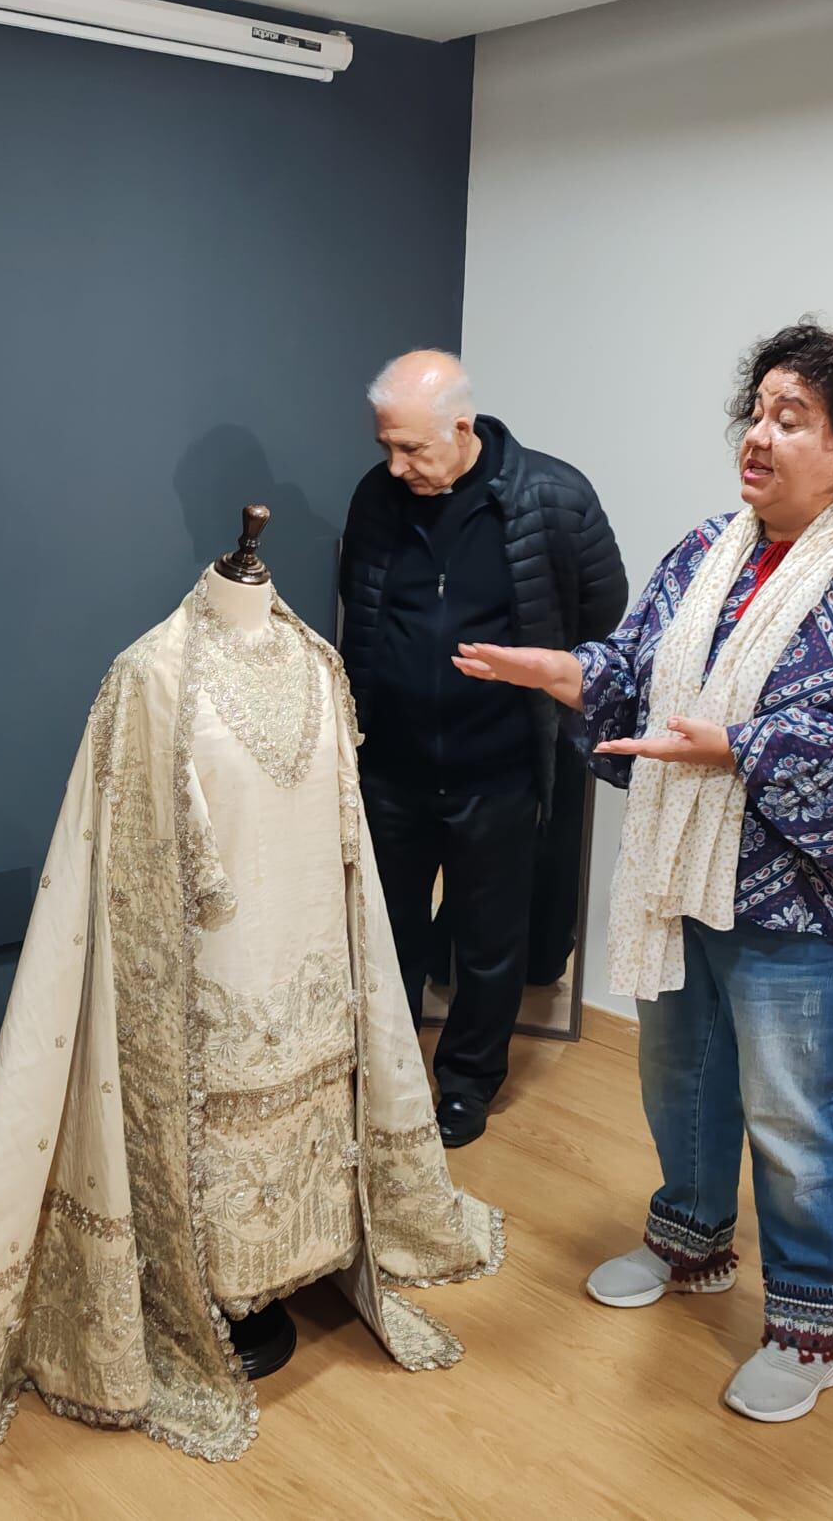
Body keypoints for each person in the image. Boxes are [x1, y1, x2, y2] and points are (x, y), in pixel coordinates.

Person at [455, 320, 833, 1423]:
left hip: (816, 900)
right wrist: (561, 670)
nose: (758, 433)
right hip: (685, 873)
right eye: (756, 410)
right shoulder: (706, 548)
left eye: (791, 418)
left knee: (793, 1114)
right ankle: (692, 1246)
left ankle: (810, 1327)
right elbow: (639, 671)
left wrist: (742, 747)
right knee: (680, 1080)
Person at [338, 350, 626, 1147]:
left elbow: (607, 623)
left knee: (488, 941)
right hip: (391, 767)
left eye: (412, 449)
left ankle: (466, 1084)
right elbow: (357, 613)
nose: (395, 467)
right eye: (386, 447)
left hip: (498, 768)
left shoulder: (554, 499)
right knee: (383, 932)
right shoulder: (378, 497)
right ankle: (383, 1078)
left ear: (462, 428)